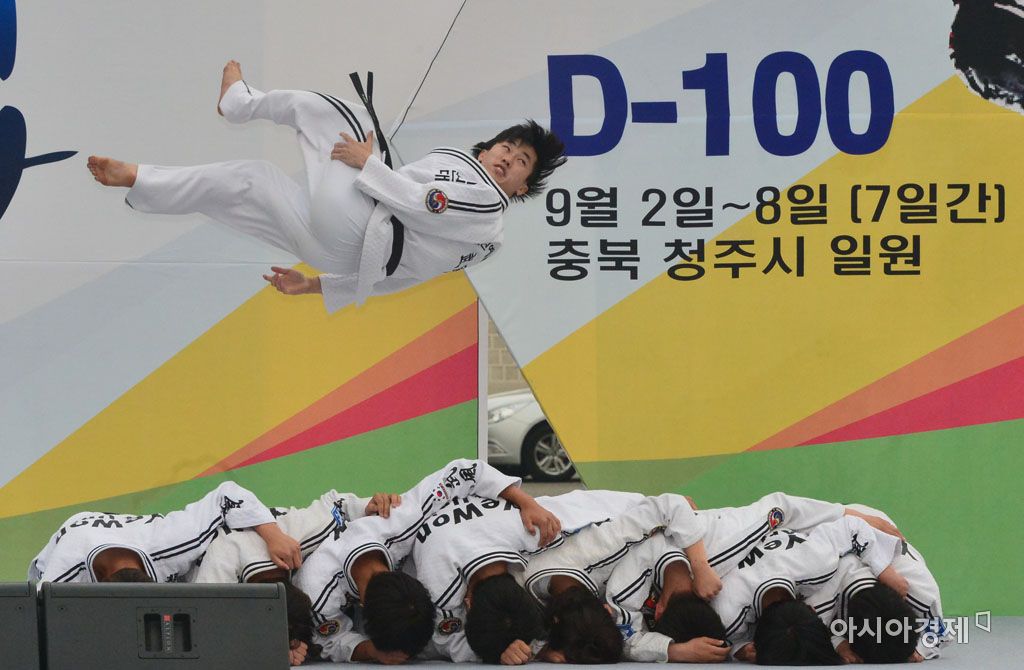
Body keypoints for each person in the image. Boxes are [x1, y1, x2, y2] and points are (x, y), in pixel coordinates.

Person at [87, 61, 567, 313]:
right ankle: (142, 180)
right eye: (507, 146)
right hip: (343, 253)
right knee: (251, 180)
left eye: (522, 161)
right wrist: (317, 285)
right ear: (487, 148)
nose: (508, 157)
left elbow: (425, 203)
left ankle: (240, 102)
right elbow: (407, 275)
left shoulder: (486, 201)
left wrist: (369, 165)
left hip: (359, 224)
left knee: (346, 118)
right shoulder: (482, 241)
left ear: (522, 187)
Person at [292, 458, 561, 664]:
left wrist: (526, 502)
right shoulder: (316, 592)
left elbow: (464, 472)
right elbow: (330, 640)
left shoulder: (401, 519)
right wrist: (371, 651)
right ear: (362, 606)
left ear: (406, 574)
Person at [408, 488, 644, 662]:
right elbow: (446, 639)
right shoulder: (439, 585)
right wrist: (509, 652)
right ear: (467, 603)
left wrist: (524, 500)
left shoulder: (538, 527)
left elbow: (641, 506)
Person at [190, 489, 400, 666]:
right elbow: (204, 634)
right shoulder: (220, 567)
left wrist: (368, 506)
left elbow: (336, 505)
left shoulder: (300, 534)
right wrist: (270, 651)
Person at [518, 493, 719, 664]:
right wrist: (541, 652)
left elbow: (672, 505)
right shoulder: (522, 588)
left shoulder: (600, 548)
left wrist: (700, 566)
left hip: (615, 511)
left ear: (608, 609)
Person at [28, 480, 299, 585]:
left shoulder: (170, 542)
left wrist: (273, 535)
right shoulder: (62, 575)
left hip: (132, 532)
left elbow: (226, 495)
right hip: (73, 531)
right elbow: (30, 613)